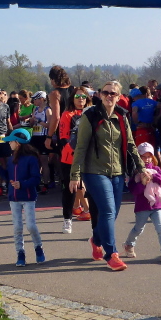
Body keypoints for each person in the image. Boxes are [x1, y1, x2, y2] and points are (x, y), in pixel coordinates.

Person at [69, 81, 149, 271]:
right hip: (94, 171)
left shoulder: (121, 115)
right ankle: (111, 254)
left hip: (118, 171)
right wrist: (75, 175)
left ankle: (96, 240)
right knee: (107, 211)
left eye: (113, 93)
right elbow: (81, 147)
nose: (108, 96)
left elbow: (130, 144)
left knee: (112, 213)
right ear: (100, 95)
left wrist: (141, 167)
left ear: (119, 96)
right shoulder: (91, 115)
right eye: (105, 92)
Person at [0, 128, 45, 267]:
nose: (9, 143)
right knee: (17, 227)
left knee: (31, 226)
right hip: (13, 198)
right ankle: (20, 253)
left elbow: (36, 178)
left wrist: (22, 184)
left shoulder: (31, 159)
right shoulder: (11, 159)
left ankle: (38, 248)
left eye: (11, 141)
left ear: (18, 143)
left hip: (28, 197)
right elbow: (8, 177)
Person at [123, 142, 161, 263]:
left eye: (149, 156)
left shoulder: (157, 170)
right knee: (138, 229)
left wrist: (153, 177)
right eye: (143, 157)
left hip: (157, 205)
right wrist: (143, 183)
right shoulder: (136, 173)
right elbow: (134, 190)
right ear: (138, 158)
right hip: (142, 206)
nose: (147, 159)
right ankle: (129, 244)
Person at [58, 86, 92, 233]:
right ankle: (67, 219)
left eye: (83, 97)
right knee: (69, 189)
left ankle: (91, 215)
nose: (80, 99)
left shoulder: (92, 113)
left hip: (90, 158)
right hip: (70, 158)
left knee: (89, 188)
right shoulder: (67, 114)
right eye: (77, 97)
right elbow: (63, 138)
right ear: (72, 99)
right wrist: (76, 152)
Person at [44, 66, 73, 151]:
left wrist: (49, 136)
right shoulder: (75, 90)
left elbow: (56, 117)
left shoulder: (55, 94)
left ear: (53, 79)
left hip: (63, 130)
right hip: (76, 127)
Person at [29, 91, 52, 191]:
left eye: (35, 99)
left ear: (41, 99)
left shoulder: (47, 110)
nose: (34, 101)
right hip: (35, 137)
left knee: (44, 161)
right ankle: (36, 183)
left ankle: (46, 184)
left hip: (43, 137)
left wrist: (39, 121)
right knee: (35, 161)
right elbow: (31, 124)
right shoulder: (35, 109)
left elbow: (50, 125)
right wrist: (31, 121)